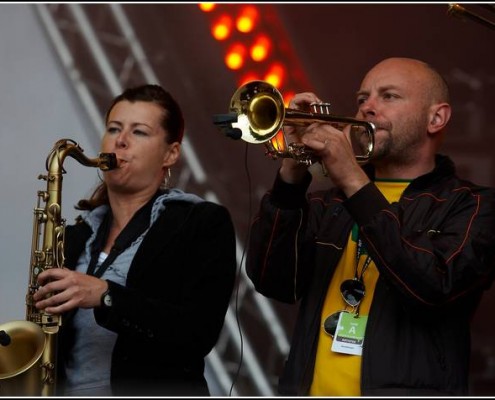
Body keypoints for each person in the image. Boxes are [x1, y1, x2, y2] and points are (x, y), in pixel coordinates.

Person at [246, 57, 495, 396]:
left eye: (388, 96)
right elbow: (273, 282)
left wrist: (351, 176)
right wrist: (292, 174)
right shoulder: (328, 203)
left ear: (436, 118)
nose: (367, 108)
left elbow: (432, 289)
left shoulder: (473, 205)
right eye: (362, 98)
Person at [33, 84, 237, 396]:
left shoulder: (201, 222)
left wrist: (106, 294)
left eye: (139, 132)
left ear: (171, 153)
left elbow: (198, 333)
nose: (120, 140)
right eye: (113, 128)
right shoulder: (74, 237)